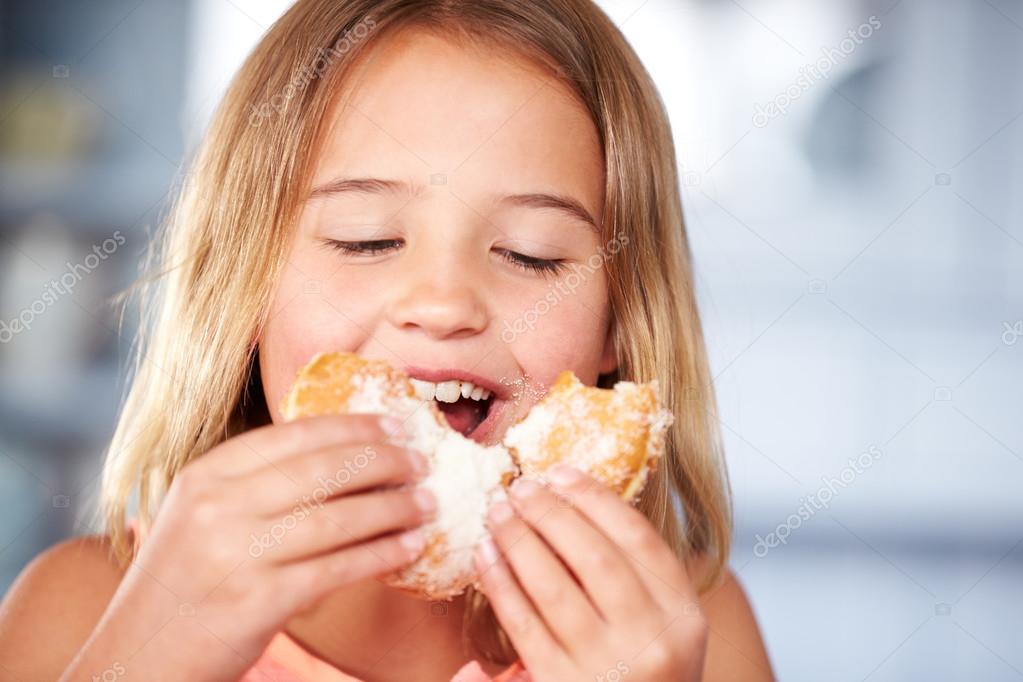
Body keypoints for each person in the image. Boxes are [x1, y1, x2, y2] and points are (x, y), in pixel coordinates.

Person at [0, 1, 773, 679]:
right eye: (365, 240)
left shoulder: (693, 630)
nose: (442, 304)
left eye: (530, 253)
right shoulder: (83, 607)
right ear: (245, 293)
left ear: (617, 321)